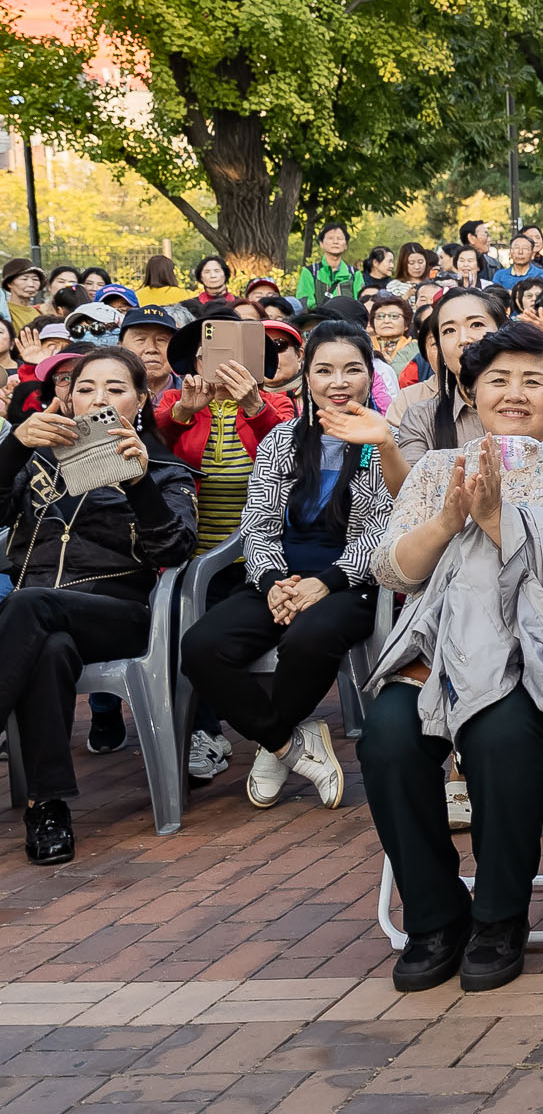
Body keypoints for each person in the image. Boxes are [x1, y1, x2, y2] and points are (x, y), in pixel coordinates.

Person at [360, 323, 543, 992]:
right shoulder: (432, 469)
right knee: (388, 738)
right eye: (497, 379)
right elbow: (392, 569)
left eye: (535, 380)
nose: (513, 392)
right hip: (443, 657)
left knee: (500, 733)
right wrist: (448, 520)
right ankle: (434, 915)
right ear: (471, 392)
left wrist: (499, 517)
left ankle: (500, 915)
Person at [180, 321, 395, 811]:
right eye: (325, 370)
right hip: (278, 577)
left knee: (308, 638)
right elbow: (257, 522)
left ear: (369, 376)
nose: (338, 382)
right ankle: (290, 740)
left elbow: (382, 530)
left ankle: (272, 745)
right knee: (201, 646)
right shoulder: (282, 441)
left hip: (348, 583)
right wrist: (276, 582)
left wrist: (325, 583)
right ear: (306, 378)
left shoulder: (386, 443)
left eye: (351, 370)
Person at [0, 347, 200, 863]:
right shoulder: (38, 458)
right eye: (85, 388)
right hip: (39, 616)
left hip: (120, 615)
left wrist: (137, 482)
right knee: (49, 647)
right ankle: (48, 810)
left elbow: (175, 550)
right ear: (66, 396)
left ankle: (45, 804)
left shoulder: (162, 469)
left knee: (28, 608)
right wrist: (12, 449)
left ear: (141, 399)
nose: (98, 399)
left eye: (115, 389)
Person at [389, 289, 508, 459]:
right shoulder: (421, 418)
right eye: (449, 330)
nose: (463, 339)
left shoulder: (533, 404)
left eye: (476, 325)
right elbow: (412, 483)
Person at [296, 223, 358, 307]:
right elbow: (304, 304)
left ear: (346, 244)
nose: (335, 242)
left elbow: (360, 304)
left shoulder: (354, 274)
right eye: (330, 238)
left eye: (339, 238)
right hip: (318, 319)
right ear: (321, 243)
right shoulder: (310, 272)